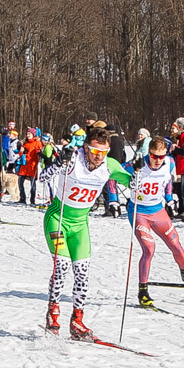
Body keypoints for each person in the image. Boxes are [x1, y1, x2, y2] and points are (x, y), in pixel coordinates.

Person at [38, 125, 132, 340]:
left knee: (81, 273)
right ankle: (53, 313)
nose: (99, 157)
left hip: (80, 225)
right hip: (58, 219)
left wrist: (138, 170)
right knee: (61, 267)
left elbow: (133, 183)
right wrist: (59, 163)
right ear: (86, 148)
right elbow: (43, 178)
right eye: (95, 151)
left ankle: (77, 321)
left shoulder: (109, 165)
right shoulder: (72, 159)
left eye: (104, 153)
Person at [128, 137, 184, 307]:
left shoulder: (169, 163)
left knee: (176, 244)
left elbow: (168, 182)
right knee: (149, 249)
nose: (157, 160)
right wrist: (116, 195)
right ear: (148, 153)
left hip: (158, 211)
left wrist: (169, 199)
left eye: (161, 156)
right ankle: (143, 290)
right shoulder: (137, 164)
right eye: (154, 156)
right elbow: (113, 174)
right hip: (139, 212)